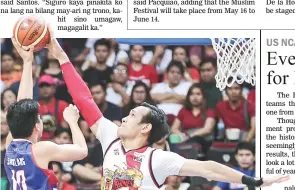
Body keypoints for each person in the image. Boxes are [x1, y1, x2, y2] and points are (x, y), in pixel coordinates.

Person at [46, 36, 289, 189]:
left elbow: (209, 168)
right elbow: (84, 98)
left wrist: (252, 180)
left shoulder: (158, 159)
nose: (123, 117)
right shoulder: (110, 137)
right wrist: (63, 59)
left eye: (131, 116)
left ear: (145, 128)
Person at [4, 38, 88, 189]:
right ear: (37, 126)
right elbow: (82, 151)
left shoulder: (10, 145)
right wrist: (73, 122)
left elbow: (23, 105)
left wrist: (28, 62)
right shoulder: (41, 149)